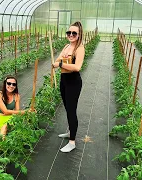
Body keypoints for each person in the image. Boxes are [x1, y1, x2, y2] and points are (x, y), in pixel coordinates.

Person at [52, 21, 85, 153]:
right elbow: (56, 61)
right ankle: (71, 131)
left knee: (72, 110)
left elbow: (77, 67)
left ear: (79, 34)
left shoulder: (79, 48)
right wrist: (61, 62)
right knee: (67, 108)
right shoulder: (66, 47)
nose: (71, 35)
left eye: (74, 33)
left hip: (73, 82)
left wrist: (61, 64)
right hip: (64, 80)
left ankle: (72, 142)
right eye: (69, 32)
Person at [0, 75, 26, 157]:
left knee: (5, 126)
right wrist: (25, 112)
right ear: (5, 84)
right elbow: (5, 111)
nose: (11, 86)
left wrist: (23, 114)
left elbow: (16, 112)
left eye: (14, 84)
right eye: (9, 83)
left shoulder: (16, 96)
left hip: (10, 117)